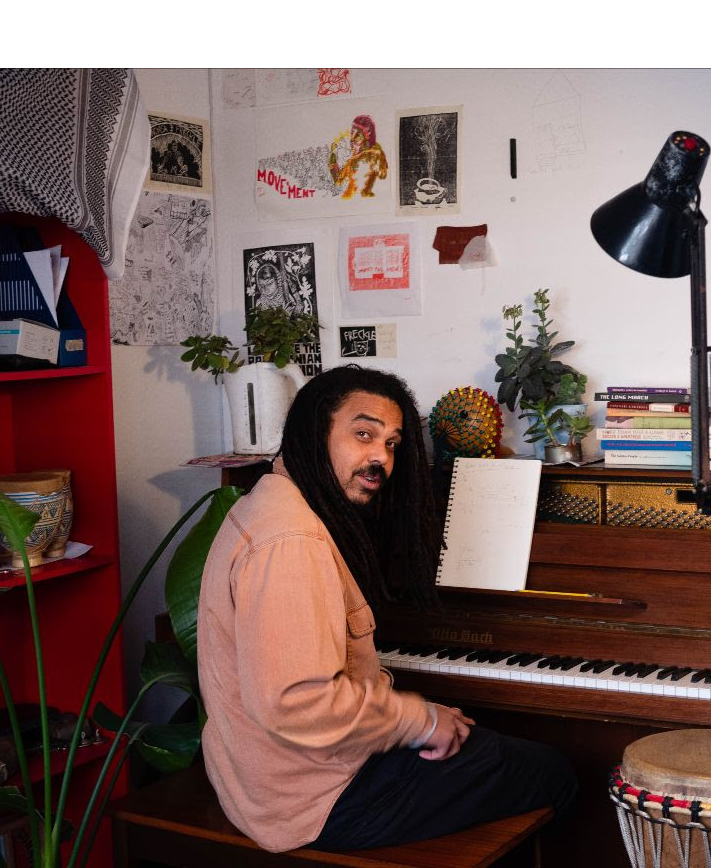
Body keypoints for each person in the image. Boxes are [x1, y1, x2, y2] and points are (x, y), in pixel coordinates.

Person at [196, 364, 577, 853]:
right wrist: (420, 722)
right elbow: (298, 702)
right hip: (315, 799)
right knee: (556, 772)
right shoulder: (291, 540)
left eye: (392, 443)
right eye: (363, 434)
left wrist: (415, 719)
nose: (381, 457)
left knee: (488, 748)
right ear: (315, 433)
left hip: (273, 779)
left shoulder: (275, 502)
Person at [329, 115, 389, 198]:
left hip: (362, 197)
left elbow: (383, 175)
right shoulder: (352, 154)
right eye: (352, 131)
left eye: (358, 134)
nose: (353, 137)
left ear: (366, 138)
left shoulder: (373, 154)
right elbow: (339, 179)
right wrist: (333, 157)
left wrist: (333, 158)